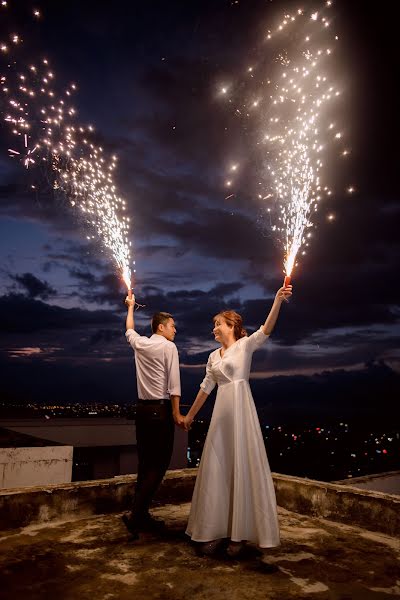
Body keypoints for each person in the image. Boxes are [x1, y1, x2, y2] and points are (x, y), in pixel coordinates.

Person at [184, 284, 293, 557]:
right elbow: (205, 388)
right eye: (214, 325)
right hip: (221, 417)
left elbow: (267, 329)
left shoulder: (246, 346)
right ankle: (213, 530)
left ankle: (239, 535)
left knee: (242, 467)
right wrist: (190, 416)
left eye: (218, 324)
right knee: (218, 470)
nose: (214, 329)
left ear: (231, 325)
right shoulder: (212, 356)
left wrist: (277, 300)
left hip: (241, 410)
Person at [123, 292, 185, 538]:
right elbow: (174, 384)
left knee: (144, 463)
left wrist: (130, 307)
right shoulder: (169, 347)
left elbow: (129, 329)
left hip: (142, 410)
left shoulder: (141, 343)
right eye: (172, 326)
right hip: (159, 412)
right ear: (161, 327)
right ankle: (137, 517)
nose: (175, 330)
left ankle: (140, 514)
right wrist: (177, 413)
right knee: (158, 466)